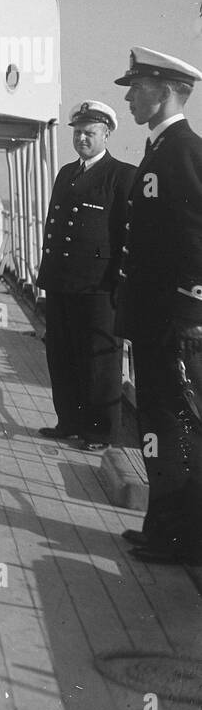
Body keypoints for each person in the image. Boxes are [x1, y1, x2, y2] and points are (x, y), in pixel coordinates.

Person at [114, 46, 202, 567]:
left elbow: (197, 240)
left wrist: (191, 314)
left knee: (172, 428)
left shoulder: (183, 152)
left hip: (172, 323)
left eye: (137, 87)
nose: (128, 97)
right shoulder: (161, 149)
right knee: (157, 425)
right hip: (153, 320)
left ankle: (177, 537)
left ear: (165, 91)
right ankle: (160, 527)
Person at [35, 101, 134, 453]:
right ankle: (70, 422)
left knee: (99, 361)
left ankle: (101, 432)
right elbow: (53, 226)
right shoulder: (66, 173)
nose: (82, 139)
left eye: (89, 133)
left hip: (98, 285)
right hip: (61, 281)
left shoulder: (122, 175)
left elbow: (128, 235)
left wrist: (122, 286)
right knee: (61, 354)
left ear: (106, 134)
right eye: (78, 133)